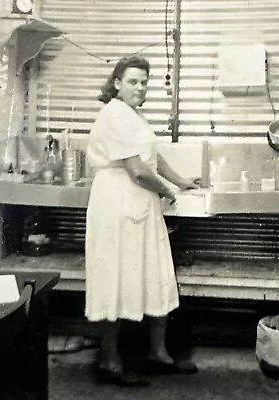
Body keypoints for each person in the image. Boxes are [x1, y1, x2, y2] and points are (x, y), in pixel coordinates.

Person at [85, 55, 200, 386]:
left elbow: (151, 157)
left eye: (144, 81)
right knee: (114, 276)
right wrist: (169, 192)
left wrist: (179, 181)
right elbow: (136, 170)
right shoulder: (113, 115)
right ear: (117, 83)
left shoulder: (133, 116)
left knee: (154, 273)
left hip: (139, 202)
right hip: (118, 203)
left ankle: (158, 354)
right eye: (133, 81)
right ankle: (109, 360)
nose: (140, 87)